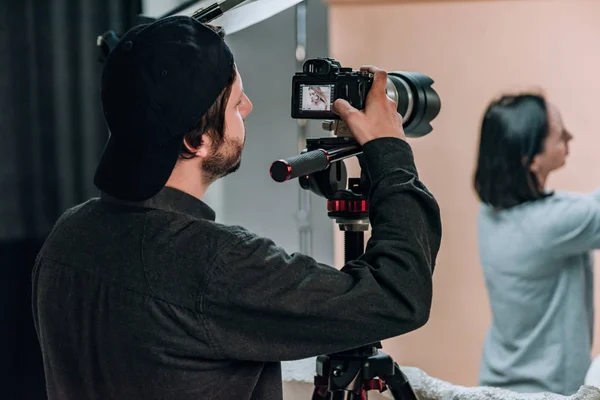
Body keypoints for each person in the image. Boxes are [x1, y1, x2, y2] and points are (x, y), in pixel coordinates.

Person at [31, 16, 442, 400]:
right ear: (198, 141)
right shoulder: (213, 264)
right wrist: (389, 153)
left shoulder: (67, 236)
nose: (248, 108)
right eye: (236, 102)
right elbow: (397, 295)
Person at [473, 93, 600, 395]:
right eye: (558, 134)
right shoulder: (553, 225)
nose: (568, 136)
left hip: (498, 383)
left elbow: (573, 208)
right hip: (545, 392)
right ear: (530, 160)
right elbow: (574, 214)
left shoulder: (491, 212)